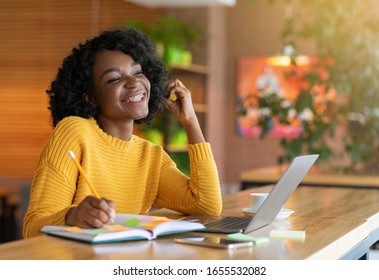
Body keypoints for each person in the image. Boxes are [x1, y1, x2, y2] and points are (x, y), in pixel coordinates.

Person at [23, 28, 222, 238]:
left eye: (137, 72)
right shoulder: (75, 132)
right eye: (114, 79)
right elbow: (33, 227)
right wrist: (72, 217)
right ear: (90, 97)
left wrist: (190, 121)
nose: (134, 82)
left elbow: (206, 206)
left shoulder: (150, 155)